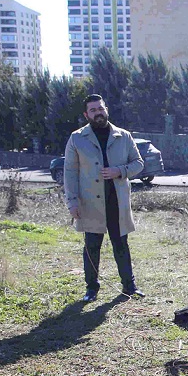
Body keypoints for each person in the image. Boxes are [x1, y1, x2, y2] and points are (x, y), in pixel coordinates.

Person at [64, 94, 145, 302]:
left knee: (121, 245)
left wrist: (120, 171)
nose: (97, 112)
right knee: (91, 246)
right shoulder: (76, 138)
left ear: (106, 109)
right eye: (93, 110)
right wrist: (72, 201)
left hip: (117, 201)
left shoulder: (123, 136)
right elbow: (70, 173)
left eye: (100, 108)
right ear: (86, 114)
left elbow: (139, 163)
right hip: (90, 202)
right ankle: (91, 289)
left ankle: (129, 286)